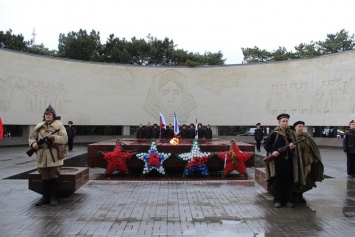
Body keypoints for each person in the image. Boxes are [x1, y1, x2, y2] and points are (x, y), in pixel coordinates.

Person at [28, 105, 68, 206]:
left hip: (54, 154)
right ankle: (45, 197)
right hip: (42, 155)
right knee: (44, 176)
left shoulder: (59, 126)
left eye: (49, 114)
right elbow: (31, 138)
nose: (47, 116)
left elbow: (64, 139)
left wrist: (54, 137)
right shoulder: (39, 126)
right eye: (46, 114)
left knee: (54, 175)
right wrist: (33, 144)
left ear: (53, 115)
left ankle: (53, 197)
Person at [263, 113, 297, 208]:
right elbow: (266, 144)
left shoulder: (290, 133)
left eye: (286, 121)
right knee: (278, 181)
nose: (285, 123)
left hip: (288, 161)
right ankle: (278, 200)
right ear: (279, 122)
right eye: (283, 121)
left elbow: (294, 147)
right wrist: (272, 152)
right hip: (278, 161)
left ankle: (287, 200)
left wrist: (292, 147)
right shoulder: (274, 133)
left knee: (288, 181)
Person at [293, 120, 324, 203]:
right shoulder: (292, 137)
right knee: (297, 178)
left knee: (306, 179)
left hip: (307, 162)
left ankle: (300, 194)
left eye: (302, 126)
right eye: (299, 126)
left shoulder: (307, 137)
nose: (301, 128)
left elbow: (313, 148)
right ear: (295, 127)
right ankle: (295, 194)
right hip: (297, 162)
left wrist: (315, 159)